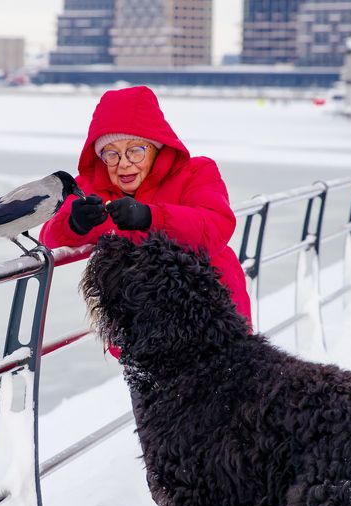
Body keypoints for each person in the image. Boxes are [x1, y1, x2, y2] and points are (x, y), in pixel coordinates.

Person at [39, 86, 252, 350]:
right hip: (140, 336)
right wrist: (74, 223)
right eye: (111, 154)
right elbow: (48, 238)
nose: (124, 163)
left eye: (135, 150)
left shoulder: (197, 172)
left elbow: (215, 227)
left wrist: (151, 217)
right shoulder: (89, 187)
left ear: (157, 147)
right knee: (148, 393)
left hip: (211, 323)